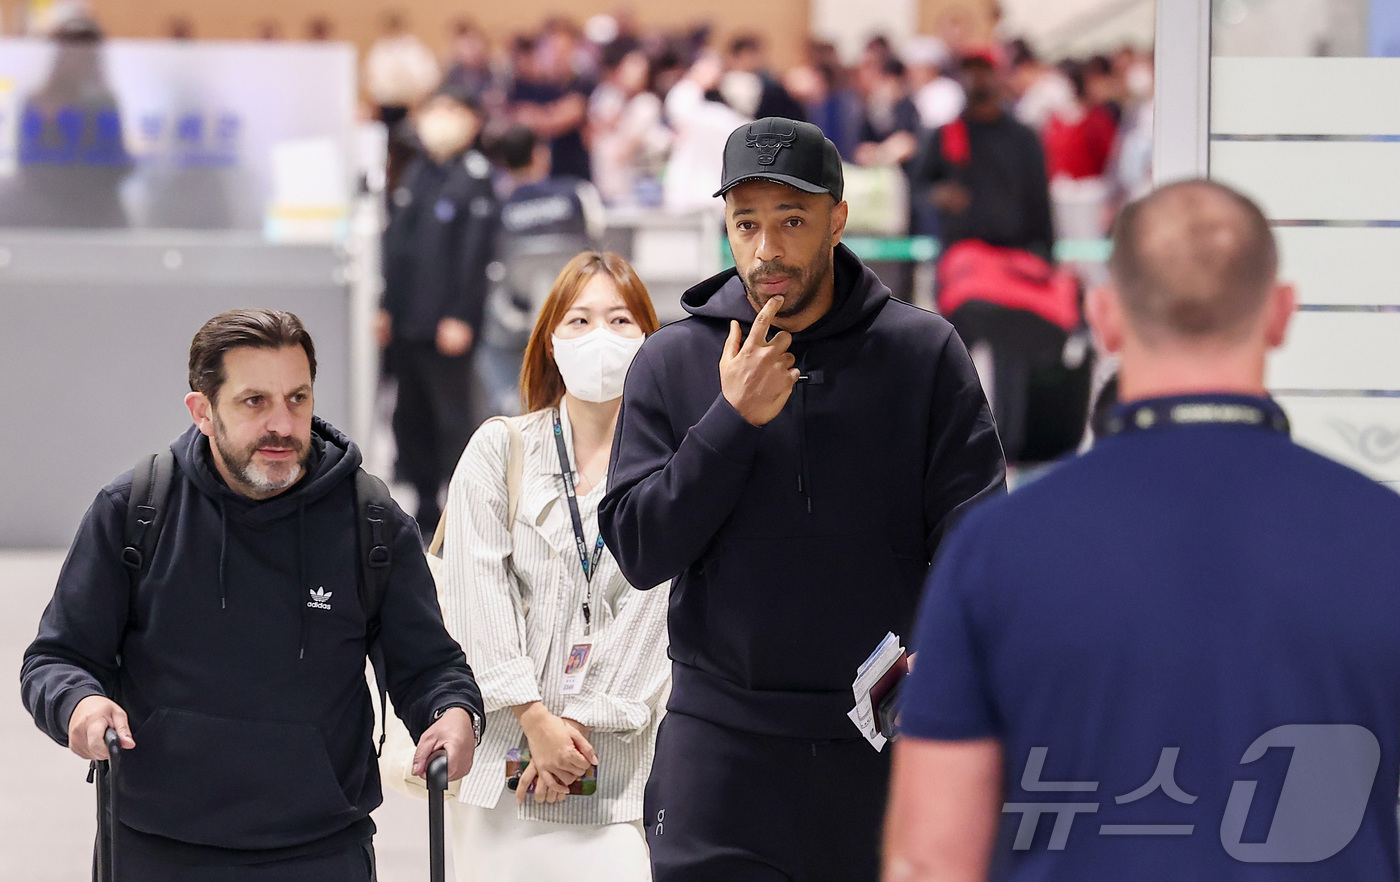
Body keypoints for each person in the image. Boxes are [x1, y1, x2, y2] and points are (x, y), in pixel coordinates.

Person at [884, 179, 1400, 880]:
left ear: (1104, 316)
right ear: (1281, 314)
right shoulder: (1381, 538)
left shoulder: (997, 554)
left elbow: (931, 860)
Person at [599, 118, 1007, 882]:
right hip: (719, 748)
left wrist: (947, 650)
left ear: (838, 220)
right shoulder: (676, 359)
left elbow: (976, 532)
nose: (767, 250)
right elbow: (640, 550)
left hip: (881, 742)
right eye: (746, 223)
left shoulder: (921, 354)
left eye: (792, 220)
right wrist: (730, 423)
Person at [20, 309, 484, 881]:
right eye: (253, 401)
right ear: (202, 412)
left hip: (319, 850)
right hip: (154, 848)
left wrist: (452, 713)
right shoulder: (136, 511)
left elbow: (431, 666)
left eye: (297, 399)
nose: (283, 425)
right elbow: (56, 658)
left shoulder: (371, 523)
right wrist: (80, 704)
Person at [442, 252, 671, 882]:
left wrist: (574, 723)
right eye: (579, 320)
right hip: (507, 757)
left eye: (622, 320)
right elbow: (474, 592)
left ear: (651, 340)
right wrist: (535, 720)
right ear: (549, 341)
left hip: (624, 766)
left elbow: (660, 608)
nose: (601, 336)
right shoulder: (501, 448)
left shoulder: (675, 467)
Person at [379, 85, 500, 533]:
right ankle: (426, 504)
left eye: (451, 108)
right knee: (410, 417)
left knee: (453, 419)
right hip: (408, 320)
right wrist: (386, 307)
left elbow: (475, 258)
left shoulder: (474, 176)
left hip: (448, 324)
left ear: (471, 120)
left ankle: (464, 510)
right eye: (435, 108)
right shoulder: (417, 173)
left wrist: (462, 316)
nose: (439, 118)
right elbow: (397, 247)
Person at [363, 11, 440, 128]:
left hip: (410, 105)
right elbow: (370, 77)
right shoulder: (379, 50)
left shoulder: (415, 49)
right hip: (385, 106)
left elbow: (428, 76)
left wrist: (420, 98)